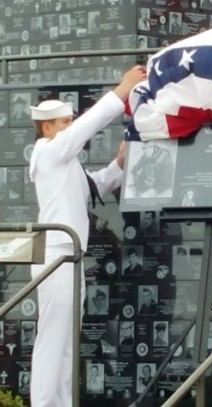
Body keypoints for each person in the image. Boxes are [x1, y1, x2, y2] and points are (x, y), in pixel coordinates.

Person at [28, 65, 146, 407]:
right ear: (48, 127)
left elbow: (94, 187)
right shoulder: (48, 152)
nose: (69, 127)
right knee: (53, 340)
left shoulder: (65, 163)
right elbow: (85, 127)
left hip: (70, 258)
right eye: (64, 123)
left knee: (66, 341)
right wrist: (122, 90)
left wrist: (118, 166)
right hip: (57, 257)